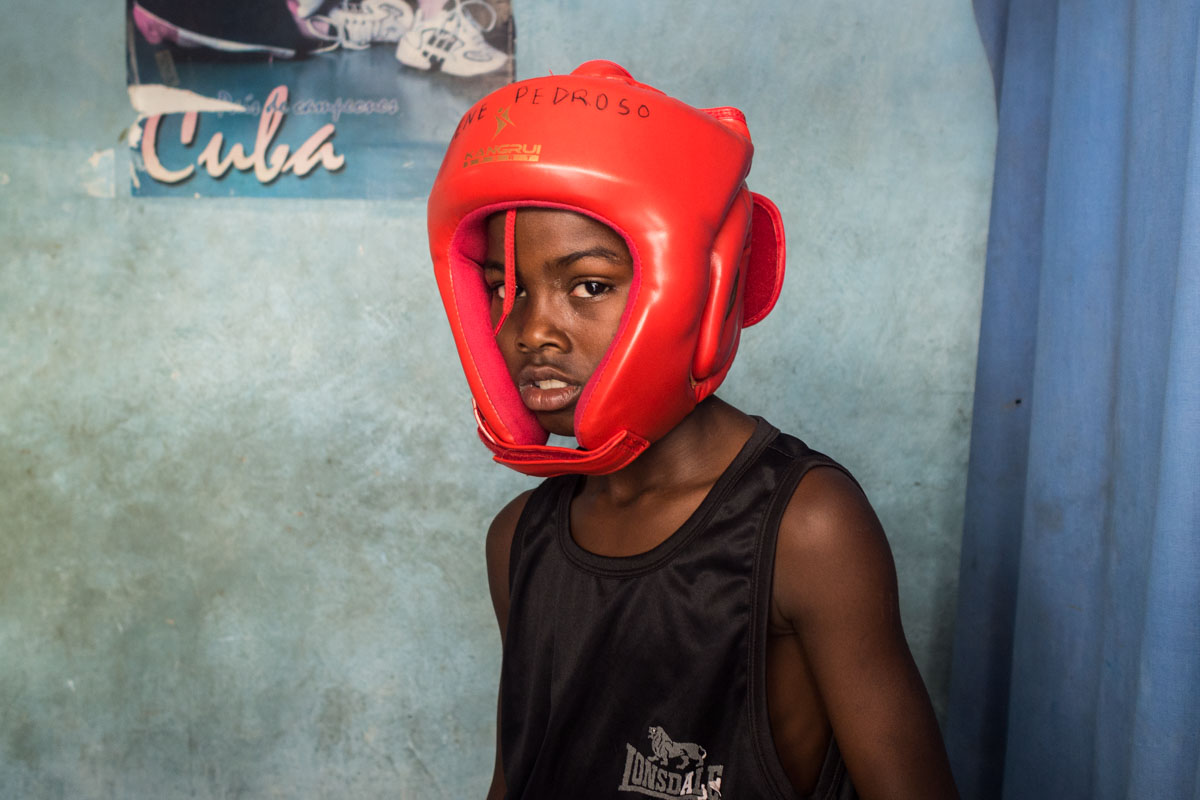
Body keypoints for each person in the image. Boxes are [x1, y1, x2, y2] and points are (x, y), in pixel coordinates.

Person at [426, 60, 959, 799]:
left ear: (699, 293)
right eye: (503, 290)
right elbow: (517, 776)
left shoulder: (807, 526)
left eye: (589, 285)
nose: (532, 330)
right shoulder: (519, 539)